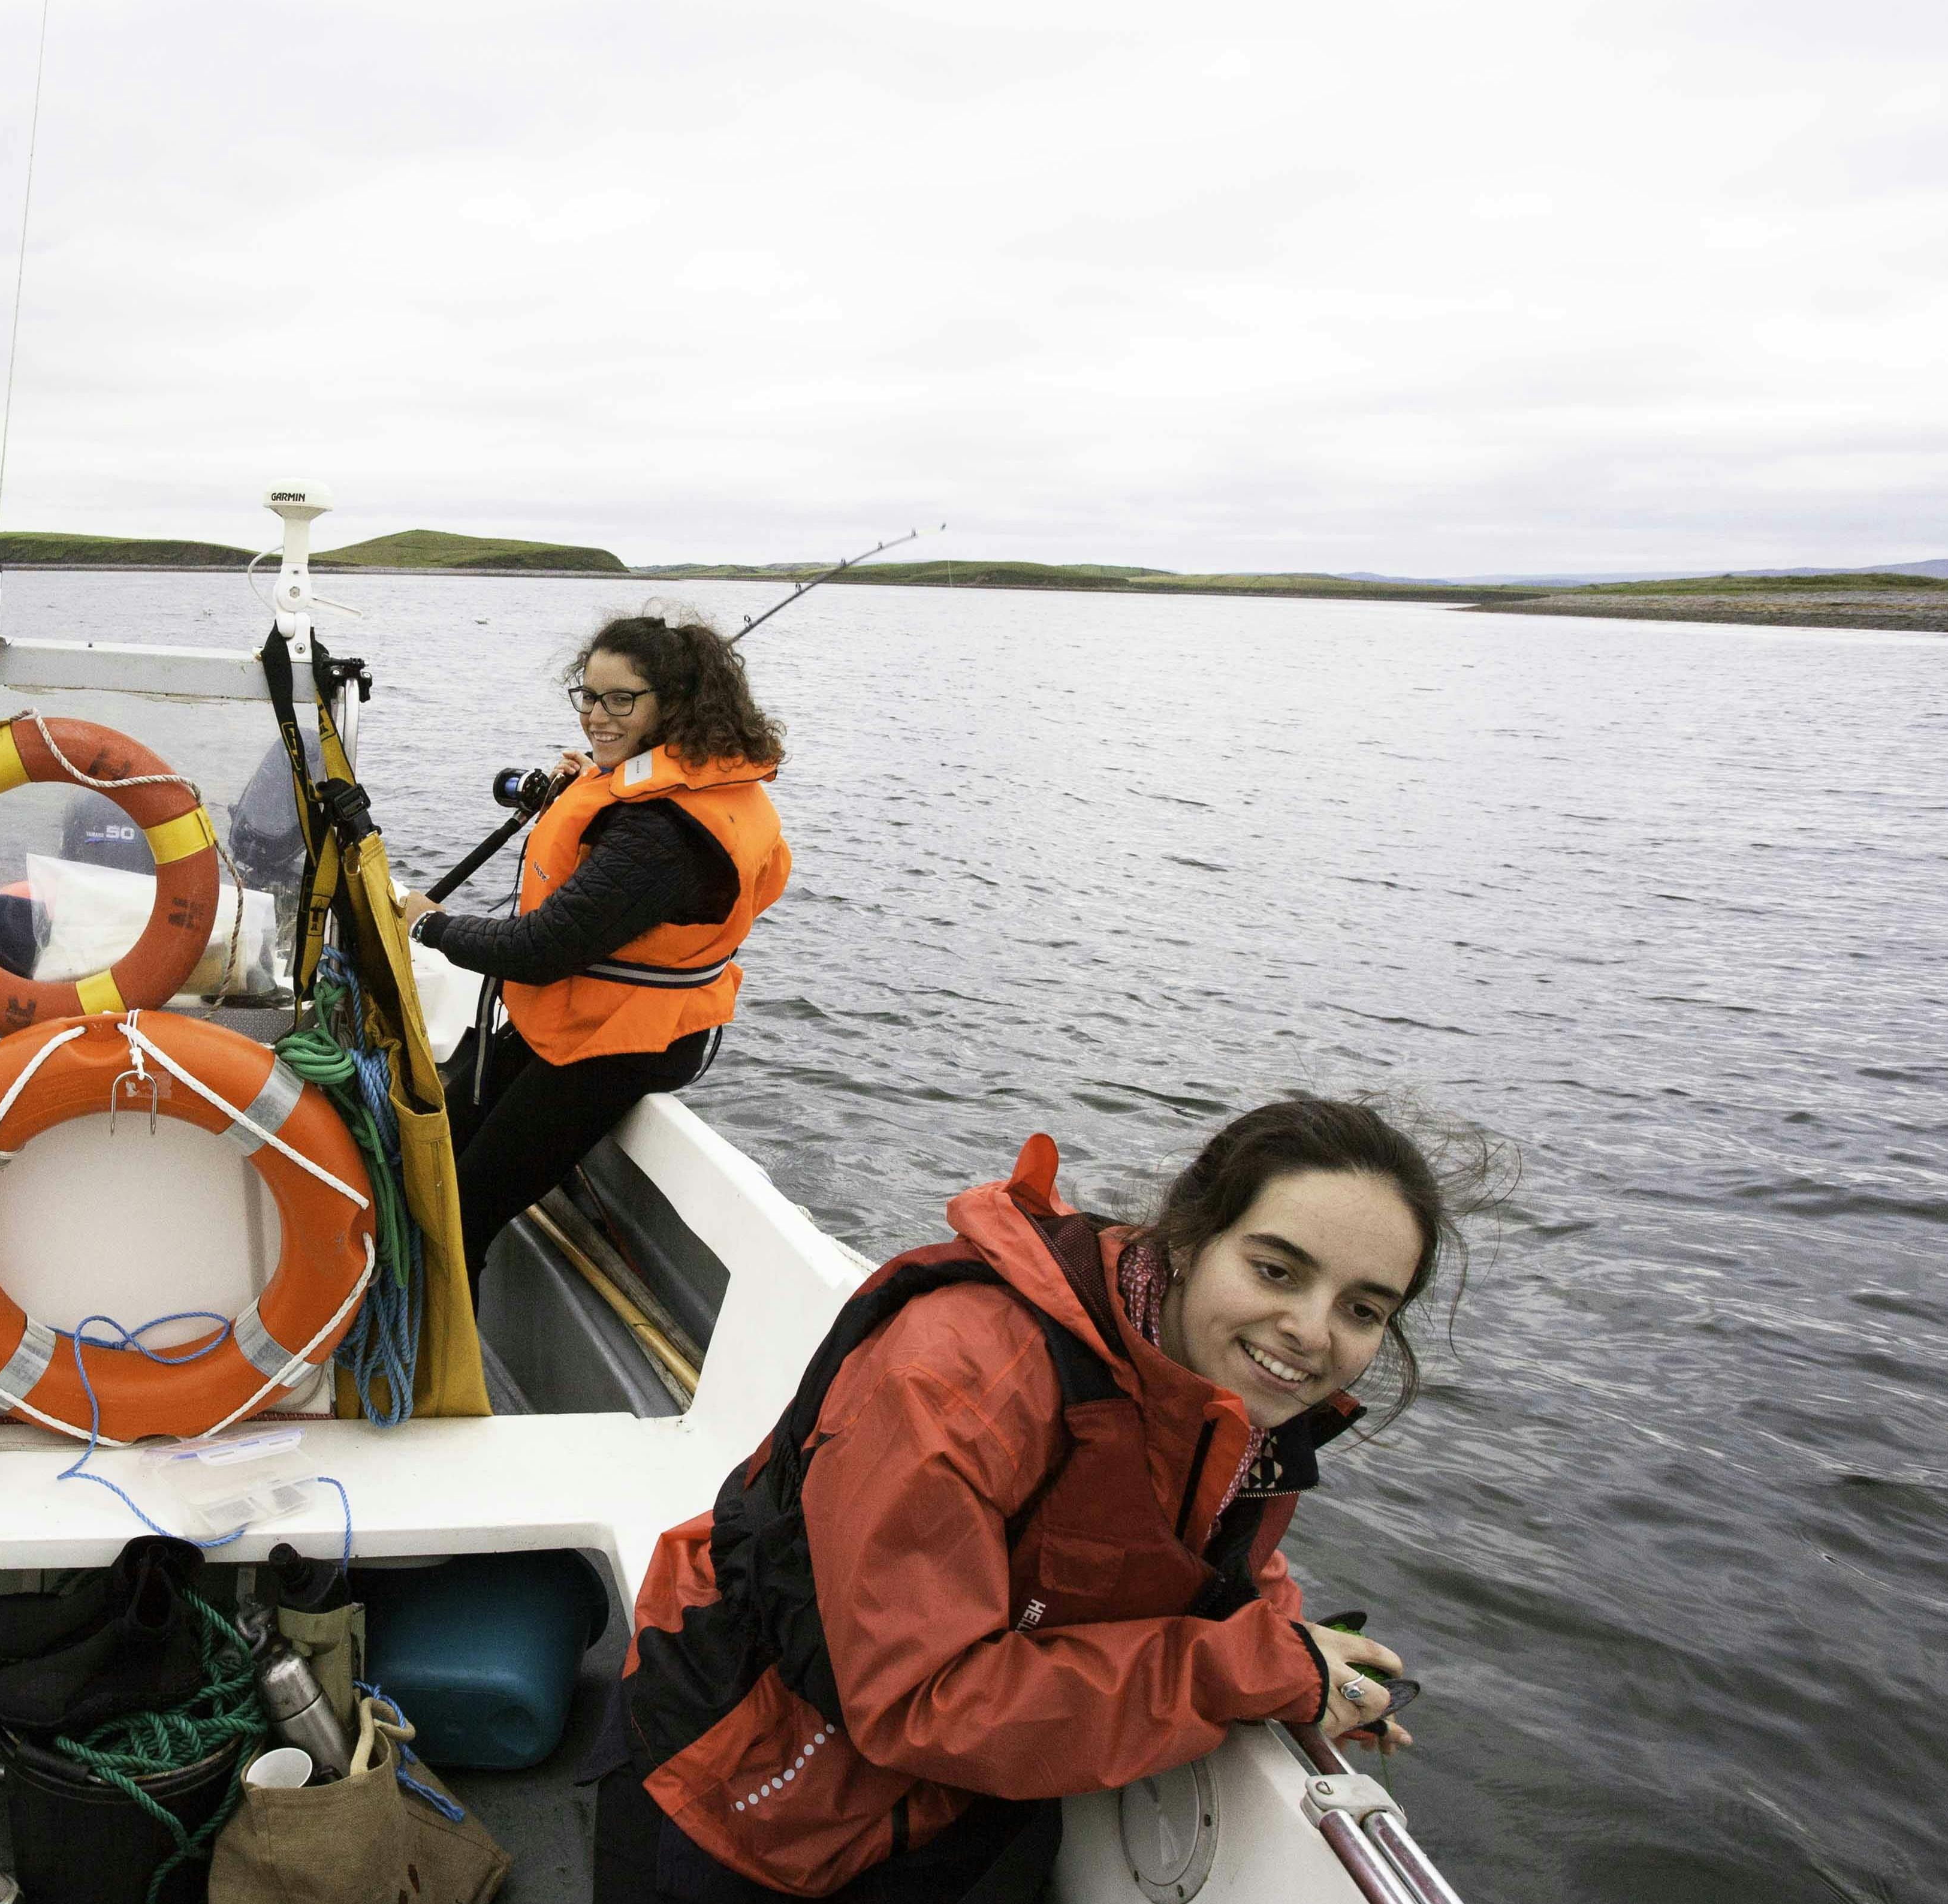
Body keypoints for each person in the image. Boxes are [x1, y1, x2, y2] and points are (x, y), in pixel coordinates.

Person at [598, 1101, 1477, 1902]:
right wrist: (1246, 1670)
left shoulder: (1227, 1405)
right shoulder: (961, 1378)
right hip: (759, 1783)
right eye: (1278, 1270)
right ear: (1186, 1241)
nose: (1313, 1333)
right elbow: (918, 1702)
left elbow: (1205, 1555)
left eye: (1362, 1309)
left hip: (973, 1794)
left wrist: (1306, 1663)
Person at [396, 606, 790, 1285]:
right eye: (588, 694)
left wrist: (425, 924)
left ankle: (433, 1377)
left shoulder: (664, 835)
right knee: (429, 1146)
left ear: (677, 707)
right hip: (580, 1013)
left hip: (620, 1044)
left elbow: (543, 946)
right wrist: (589, 784)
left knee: (463, 1207)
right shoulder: (668, 780)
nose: (596, 715)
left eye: (621, 699)